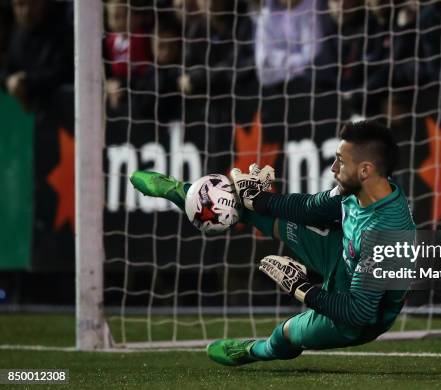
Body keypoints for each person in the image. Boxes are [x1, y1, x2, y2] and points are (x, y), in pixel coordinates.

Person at [130, 120, 415, 365]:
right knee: (250, 206)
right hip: (344, 257)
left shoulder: (385, 235)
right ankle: (185, 193)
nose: (332, 167)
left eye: (340, 160)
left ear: (364, 170)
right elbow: (310, 208)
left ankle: (255, 351)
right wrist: (259, 198)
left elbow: (357, 312)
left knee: (286, 334)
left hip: (362, 318)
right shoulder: (358, 191)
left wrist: (301, 289)